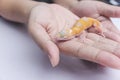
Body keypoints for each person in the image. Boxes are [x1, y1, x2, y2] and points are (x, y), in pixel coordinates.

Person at [0, 0, 120, 69]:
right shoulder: (73, 31)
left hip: (90, 20)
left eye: (62, 36)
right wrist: (33, 8)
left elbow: (82, 31)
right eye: (62, 36)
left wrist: (71, 5)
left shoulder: (76, 32)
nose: (60, 37)